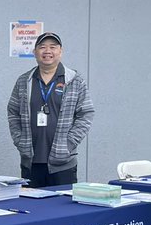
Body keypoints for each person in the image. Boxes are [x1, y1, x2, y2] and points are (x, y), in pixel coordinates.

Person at [6, 32, 95, 187]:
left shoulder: (75, 80)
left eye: (53, 47)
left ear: (60, 51)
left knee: (63, 209)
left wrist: (70, 143)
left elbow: (86, 113)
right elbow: (13, 111)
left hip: (63, 164)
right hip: (31, 163)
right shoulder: (24, 81)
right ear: (35, 52)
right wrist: (20, 141)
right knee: (32, 208)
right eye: (42, 47)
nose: (47, 51)